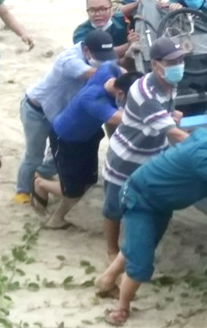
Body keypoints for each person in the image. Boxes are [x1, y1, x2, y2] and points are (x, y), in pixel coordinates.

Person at [97, 128, 207, 325]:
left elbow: (187, 136)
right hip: (140, 201)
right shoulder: (206, 160)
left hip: (159, 201)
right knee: (141, 264)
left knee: (141, 245)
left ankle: (106, 280)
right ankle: (121, 308)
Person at [103, 37, 189, 260]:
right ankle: (112, 250)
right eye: (171, 62)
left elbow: (165, 117)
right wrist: (204, 149)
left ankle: (135, 247)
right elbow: (175, 134)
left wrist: (171, 115)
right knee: (114, 208)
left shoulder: (170, 84)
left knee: (148, 203)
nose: (178, 65)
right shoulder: (145, 93)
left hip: (152, 155)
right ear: (155, 65)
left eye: (180, 59)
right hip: (126, 157)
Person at [15, 30, 116, 205]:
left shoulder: (99, 55)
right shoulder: (68, 59)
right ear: (85, 50)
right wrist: (122, 76)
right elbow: (96, 75)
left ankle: (40, 179)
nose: (104, 60)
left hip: (59, 113)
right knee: (34, 155)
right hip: (36, 110)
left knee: (58, 155)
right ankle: (22, 191)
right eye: (100, 56)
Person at [33, 67, 137, 229]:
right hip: (66, 140)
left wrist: (130, 77)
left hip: (88, 137)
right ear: (121, 94)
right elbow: (125, 119)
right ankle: (41, 184)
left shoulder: (107, 72)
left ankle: (56, 219)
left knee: (89, 182)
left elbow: (117, 67)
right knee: (73, 192)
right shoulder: (94, 100)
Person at [72, 0, 137, 59]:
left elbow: (122, 12)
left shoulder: (122, 21)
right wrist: (129, 45)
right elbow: (95, 54)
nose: (97, 14)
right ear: (87, 12)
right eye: (92, 10)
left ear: (112, 10)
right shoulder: (81, 33)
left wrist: (137, 3)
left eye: (103, 9)